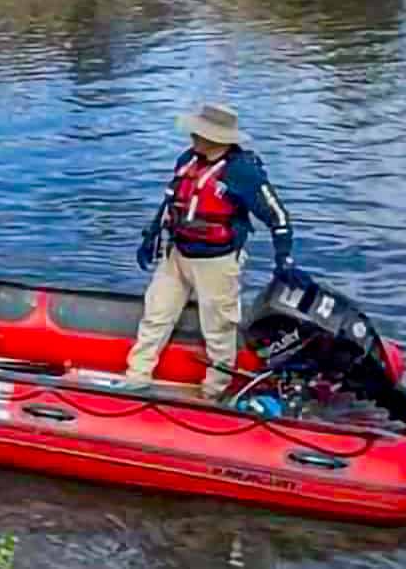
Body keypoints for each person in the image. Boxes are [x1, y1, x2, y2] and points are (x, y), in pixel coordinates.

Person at [126, 103, 306, 400]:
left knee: (219, 328)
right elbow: (171, 202)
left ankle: (215, 391)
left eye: (200, 132)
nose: (194, 136)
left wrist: (283, 259)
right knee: (156, 314)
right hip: (177, 255)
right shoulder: (187, 160)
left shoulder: (242, 172)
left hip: (217, 262)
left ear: (218, 138)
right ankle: (136, 377)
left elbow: (278, 216)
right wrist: (151, 236)